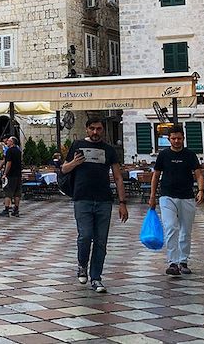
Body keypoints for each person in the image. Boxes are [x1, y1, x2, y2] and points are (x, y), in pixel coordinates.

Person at [62, 116, 128, 293]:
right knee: (85, 235)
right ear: (87, 129)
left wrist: (122, 202)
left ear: (103, 130)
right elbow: (63, 169)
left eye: (99, 129)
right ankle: (82, 264)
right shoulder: (77, 146)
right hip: (82, 198)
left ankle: (96, 277)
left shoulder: (109, 149)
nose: (95, 132)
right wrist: (74, 163)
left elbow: (118, 176)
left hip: (104, 200)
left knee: (101, 241)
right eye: (92, 128)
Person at [148, 125, 204, 276]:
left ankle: (183, 260)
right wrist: (152, 195)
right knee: (171, 227)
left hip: (187, 196)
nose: (176, 141)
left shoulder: (190, 155)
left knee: (186, 230)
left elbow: (198, 173)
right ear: (169, 139)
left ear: (183, 138)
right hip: (167, 196)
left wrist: (200, 190)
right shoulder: (163, 155)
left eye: (179, 138)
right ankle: (172, 262)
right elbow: (156, 175)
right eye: (173, 138)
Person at [0, 137, 23, 217]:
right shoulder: (18, 151)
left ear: (12, 142)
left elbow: (9, 163)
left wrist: (5, 173)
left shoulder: (9, 151)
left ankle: (6, 210)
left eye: (8, 141)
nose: (7, 142)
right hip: (18, 174)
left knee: (8, 192)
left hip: (11, 175)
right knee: (17, 193)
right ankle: (16, 209)